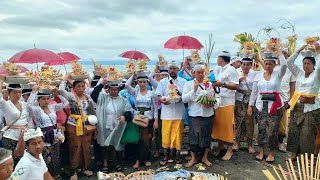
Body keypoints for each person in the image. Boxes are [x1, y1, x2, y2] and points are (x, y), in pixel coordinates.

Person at [247, 47, 287, 162]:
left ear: (274, 65)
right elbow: (254, 92)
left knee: (272, 130)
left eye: (270, 64)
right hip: (261, 106)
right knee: (262, 129)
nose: (268, 66)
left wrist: (278, 48)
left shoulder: (278, 74)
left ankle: (271, 153)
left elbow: (284, 64)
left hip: (274, 106)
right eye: (266, 63)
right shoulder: (259, 76)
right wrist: (250, 105)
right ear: (264, 64)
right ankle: (261, 151)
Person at [182, 63, 221, 167]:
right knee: (194, 136)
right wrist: (193, 90)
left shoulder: (209, 84)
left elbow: (217, 97)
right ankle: (193, 158)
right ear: (194, 73)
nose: (200, 74)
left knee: (207, 136)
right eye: (198, 72)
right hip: (194, 114)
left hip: (208, 114)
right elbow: (184, 99)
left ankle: (205, 157)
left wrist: (212, 104)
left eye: (202, 72)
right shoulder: (188, 84)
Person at [91, 77, 132, 173]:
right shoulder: (103, 98)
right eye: (112, 89)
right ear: (108, 89)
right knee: (105, 145)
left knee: (118, 144)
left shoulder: (123, 100)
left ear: (118, 90)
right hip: (105, 126)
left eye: (115, 89)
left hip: (118, 126)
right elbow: (93, 94)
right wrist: (101, 83)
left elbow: (129, 111)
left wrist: (124, 117)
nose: (113, 91)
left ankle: (118, 162)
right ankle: (105, 163)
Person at [59, 73, 96, 179]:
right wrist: (65, 78)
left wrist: (95, 125)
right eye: (78, 86)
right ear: (74, 88)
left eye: (83, 86)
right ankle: (73, 171)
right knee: (75, 147)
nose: (81, 88)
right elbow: (61, 90)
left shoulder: (88, 97)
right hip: (74, 125)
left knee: (86, 147)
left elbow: (92, 111)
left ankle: (86, 168)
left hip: (86, 125)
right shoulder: (71, 96)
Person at [286, 44, 320, 160]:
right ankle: (294, 154)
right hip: (297, 106)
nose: (306, 66)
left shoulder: (316, 75)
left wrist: (317, 51)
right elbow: (289, 63)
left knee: (307, 133)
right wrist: (299, 50)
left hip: (311, 108)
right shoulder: (299, 73)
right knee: (294, 131)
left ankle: (307, 158)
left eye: (309, 63)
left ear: (313, 65)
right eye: (304, 63)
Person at [27, 86, 69, 179]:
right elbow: (28, 106)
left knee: (56, 154)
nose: (46, 101)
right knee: (46, 156)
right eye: (43, 99)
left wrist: (58, 94)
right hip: (43, 135)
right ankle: (47, 176)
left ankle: (57, 174)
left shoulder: (52, 107)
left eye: (47, 98)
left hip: (54, 133)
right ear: (39, 100)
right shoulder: (37, 110)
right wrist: (34, 92)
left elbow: (66, 103)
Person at [156, 61, 186, 165]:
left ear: (178, 70)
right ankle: (166, 156)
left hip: (179, 112)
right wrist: (162, 100)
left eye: (174, 68)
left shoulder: (183, 81)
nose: (172, 70)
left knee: (177, 135)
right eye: (171, 69)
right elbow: (159, 95)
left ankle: (177, 156)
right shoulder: (163, 82)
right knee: (166, 135)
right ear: (168, 70)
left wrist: (179, 95)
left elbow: (185, 96)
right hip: (167, 113)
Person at [125, 72, 158, 169]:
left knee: (147, 140)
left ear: (147, 83)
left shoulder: (152, 93)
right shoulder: (136, 92)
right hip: (138, 118)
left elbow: (155, 107)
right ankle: (137, 160)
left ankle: (146, 159)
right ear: (137, 83)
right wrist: (133, 74)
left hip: (148, 119)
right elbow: (127, 85)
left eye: (144, 82)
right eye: (140, 82)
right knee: (137, 140)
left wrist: (156, 120)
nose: (142, 84)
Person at [212, 51, 239, 161]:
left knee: (228, 126)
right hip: (219, 102)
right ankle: (220, 146)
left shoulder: (231, 69)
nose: (217, 60)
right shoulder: (221, 70)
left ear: (222, 59)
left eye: (218, 57)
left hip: (228, 102)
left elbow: (236, 85)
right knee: (219, 126)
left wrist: (222, 84)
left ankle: (230, 150)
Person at [0, 79, 34, 163]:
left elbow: (29, 120)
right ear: (9, 93)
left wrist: (31, 133)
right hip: (10, 137)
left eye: (19, 92)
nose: (18, 95)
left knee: (24, 162)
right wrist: (1, 81)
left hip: (25, 136)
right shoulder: (6, 104)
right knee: (10, 163)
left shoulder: (24, 104)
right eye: (15, 92)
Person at [233, 57, 260, 154]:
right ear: (241, 64)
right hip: (239, 99)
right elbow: (232, 85)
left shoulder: (254, 73)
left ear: (250, 65)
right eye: (243, 64)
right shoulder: (236, 72)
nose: (245, 67)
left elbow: (256, 88)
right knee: (238, 122)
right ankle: (237, 143)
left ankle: (249, 145)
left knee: (249, 123)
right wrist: (239, 80)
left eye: (248, 64)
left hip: (250, 100)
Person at [276, 48, 296, 153]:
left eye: (284, 54)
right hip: (273, 99)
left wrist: (290, 101)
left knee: (282, 124)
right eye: (280, 54)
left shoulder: (290, 70)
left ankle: (280, 143)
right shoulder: (273, 68)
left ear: (287, 56)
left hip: (284, 100)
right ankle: (270, 142)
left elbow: (293, 87)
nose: (282, 56)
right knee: (271, 122)